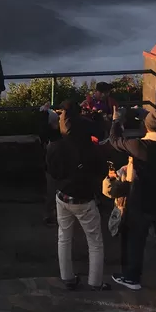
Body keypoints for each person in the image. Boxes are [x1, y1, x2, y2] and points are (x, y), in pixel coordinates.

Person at [108, 106, 156, 292]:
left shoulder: (139, 146)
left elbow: (114, 140)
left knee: (135, 240)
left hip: (140, 201)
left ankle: (132, 278)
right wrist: (144, 113)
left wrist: (117, 120)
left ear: (147, 127)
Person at [45, 106, 109, 291]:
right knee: (95, 241)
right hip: (84, 199)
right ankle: (95, 282)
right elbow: (102, 171)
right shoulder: (91, 149)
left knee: (64, 236)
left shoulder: (55, 146)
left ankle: (67, 277)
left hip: (62, 196)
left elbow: (52, 171)